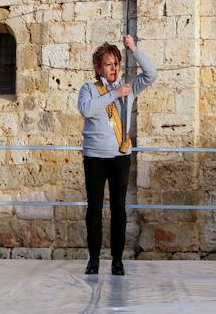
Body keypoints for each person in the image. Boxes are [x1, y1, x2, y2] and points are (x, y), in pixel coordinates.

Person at [78, 35, 157, 275]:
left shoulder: (129, 86)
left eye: (117, 64)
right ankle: (93, 259)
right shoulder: (89, 89)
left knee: (119, 209)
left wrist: (134, 50)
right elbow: (86, 110)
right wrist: (114, 94)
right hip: (94, 156)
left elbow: (151, 75)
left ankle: (117, 260)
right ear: (98, 67)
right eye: (109, 64)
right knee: (94, 209)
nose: (114, 69)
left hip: (120, 156)